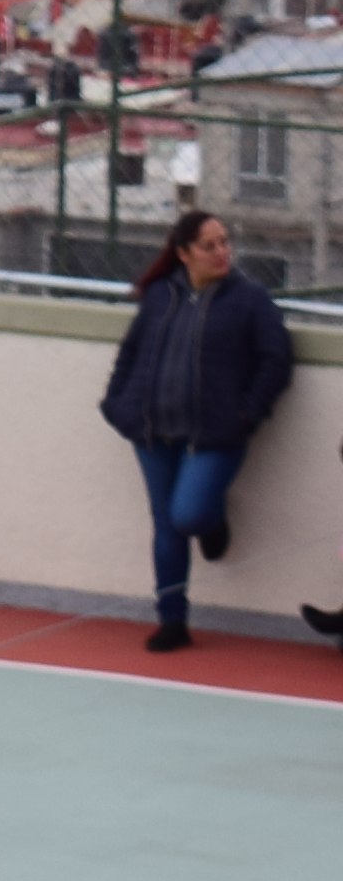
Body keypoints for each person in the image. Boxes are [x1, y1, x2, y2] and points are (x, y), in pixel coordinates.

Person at [102, 204, 292, 657]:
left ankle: (211, 515)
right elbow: (130, 354)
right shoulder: (160, 296)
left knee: (187, 515)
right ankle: (172, 620)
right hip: (152, 430)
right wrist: (117, 406)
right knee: (165, 524)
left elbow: (275, 359)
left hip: (218, 433)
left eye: (224, 242)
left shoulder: (249, 299)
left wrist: (246, 414)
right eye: (209, 245)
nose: (221, 252)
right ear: (184, 253)